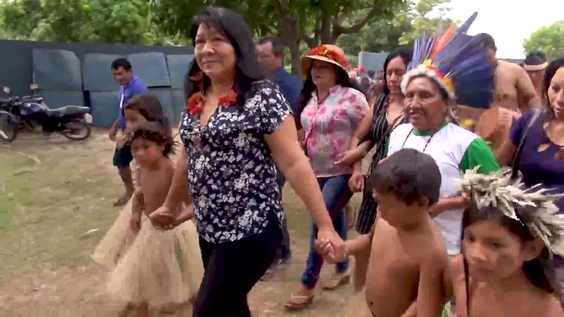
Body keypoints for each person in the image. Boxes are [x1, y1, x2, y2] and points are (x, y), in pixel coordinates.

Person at [148, 7, 345, 317]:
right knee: (231, 307)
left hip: (251, 228)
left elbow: (293, 162)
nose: (207, 49)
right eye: (200, 41)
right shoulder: (198, 95)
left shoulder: (262, 95)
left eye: (217, 39)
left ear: (238, 46)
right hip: (210, 226)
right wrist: (171, 205)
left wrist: (325, 225)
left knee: (209, 310)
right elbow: (189, 152)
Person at [284, 44, 369, 310]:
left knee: (319, 222)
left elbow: (367, 132)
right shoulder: (310, 99)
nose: (316, 71)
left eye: (322, 67)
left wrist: (356, 166)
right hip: (314, 171)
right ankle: (343, 266)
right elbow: (304, 131)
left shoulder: (352, 98)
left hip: (341, 171)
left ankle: (308, 283)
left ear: (337, 71)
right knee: (330, 218)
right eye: (313, 67)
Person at [318, 148, 448, 316]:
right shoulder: (386, 217)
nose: (380, 210)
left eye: (389, 206)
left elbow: (424, 307)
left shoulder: (432, 252)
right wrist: (345, 248)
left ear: (421, 204)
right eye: (378, 202)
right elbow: (370, 241)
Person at [446, 168, 564, 317]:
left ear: (532, 249)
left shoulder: (546, 310)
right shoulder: (460, 270)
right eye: (471, 239)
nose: (476, 255)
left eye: (495, 245)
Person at [496, 57, 564, 303]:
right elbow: (496, 169)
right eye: (555, 88)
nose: (560, 99)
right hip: (518, 244)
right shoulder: (529, 122)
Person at [338, 50, 412, 235]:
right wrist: (356, 171)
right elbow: (359, 136)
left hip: (405, 190)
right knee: (364, 241)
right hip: (376, 184)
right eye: (389, 73)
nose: (393, 78)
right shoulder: (381, 103)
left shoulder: (418, 108)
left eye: (399, 72)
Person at [256, 35, 302, 276]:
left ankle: (276, 255)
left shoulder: (290, 85)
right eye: (257, 56)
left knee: (268, 203)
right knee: (268, 203)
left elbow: (297, 122)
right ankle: (281, 252)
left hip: (280, 155)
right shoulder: (256, 83)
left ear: (278, 57)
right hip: (260, 155)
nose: (258, 60)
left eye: (263, 56)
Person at [457, 33, 540, 131]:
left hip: (510, 134)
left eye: (486, 57)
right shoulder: (464, 75)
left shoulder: (514, 71)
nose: (483, 62)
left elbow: (532, 97)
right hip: (475, 135)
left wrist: (535, 122)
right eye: (478, 58)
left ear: (495, 51)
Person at [108, 58, 149, 207]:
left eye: (120, 73)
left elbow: (141, 115)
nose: (117, 78)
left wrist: (126, 133)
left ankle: (144, 194)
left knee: (143, 164)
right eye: (114, 75)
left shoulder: (138, 88)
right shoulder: (123, 88)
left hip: (138, 133)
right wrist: (115, 126)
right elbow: (123, 112)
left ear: (130, 71)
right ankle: (131, 192)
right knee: (121, 162)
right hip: (127, 132)